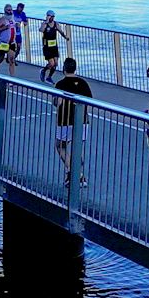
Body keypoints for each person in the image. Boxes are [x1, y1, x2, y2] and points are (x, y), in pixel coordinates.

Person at [53, 57, 93, 187]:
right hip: (82, 120)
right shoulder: (83, 83)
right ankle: (78, 175)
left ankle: (73, 173)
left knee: (60, 146)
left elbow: (56, 103)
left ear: (64, 69)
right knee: (78, 148)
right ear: (75, 68)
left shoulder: (60, 84)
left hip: (64, 120)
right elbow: (90, 100)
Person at [40, 10, 68, 83]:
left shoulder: (56, 24)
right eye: (51, 17)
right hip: (47, 47)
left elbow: (61, 32)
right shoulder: (45, 24)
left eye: (53, 17)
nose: (52, 18)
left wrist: (65, 37)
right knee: (51, 63)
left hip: (54, 46)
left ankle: (49, 77)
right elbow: (41, 30)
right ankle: (43, 70)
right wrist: (46, 22)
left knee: (56, 64)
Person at [0, 5, 18, 74]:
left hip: (11, 43)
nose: (10, 11)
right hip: (3, 43)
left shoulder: (13, 19)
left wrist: (17, 26)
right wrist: (4, 28)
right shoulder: (2, 19)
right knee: (0, 59)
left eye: (11, 10)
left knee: (11, 60)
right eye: (8, 10)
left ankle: (12, 80)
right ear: (5, 11)